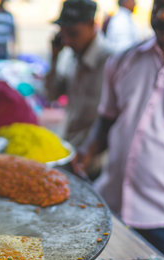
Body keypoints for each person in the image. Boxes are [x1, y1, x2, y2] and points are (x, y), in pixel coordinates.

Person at [74, 0, 164, 260]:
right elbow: (107, 119)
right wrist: (88, 150)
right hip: (110, 208)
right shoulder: (126, 59)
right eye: (159, 5)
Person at [45, 0, 113, 177]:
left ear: (92, 24)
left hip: (94, 161)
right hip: (69, 147)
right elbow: (51, 95)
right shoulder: (71, 56)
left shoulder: (111, 61)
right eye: (63, 34)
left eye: (73, 34)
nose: (66, 41)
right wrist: (54, 58)